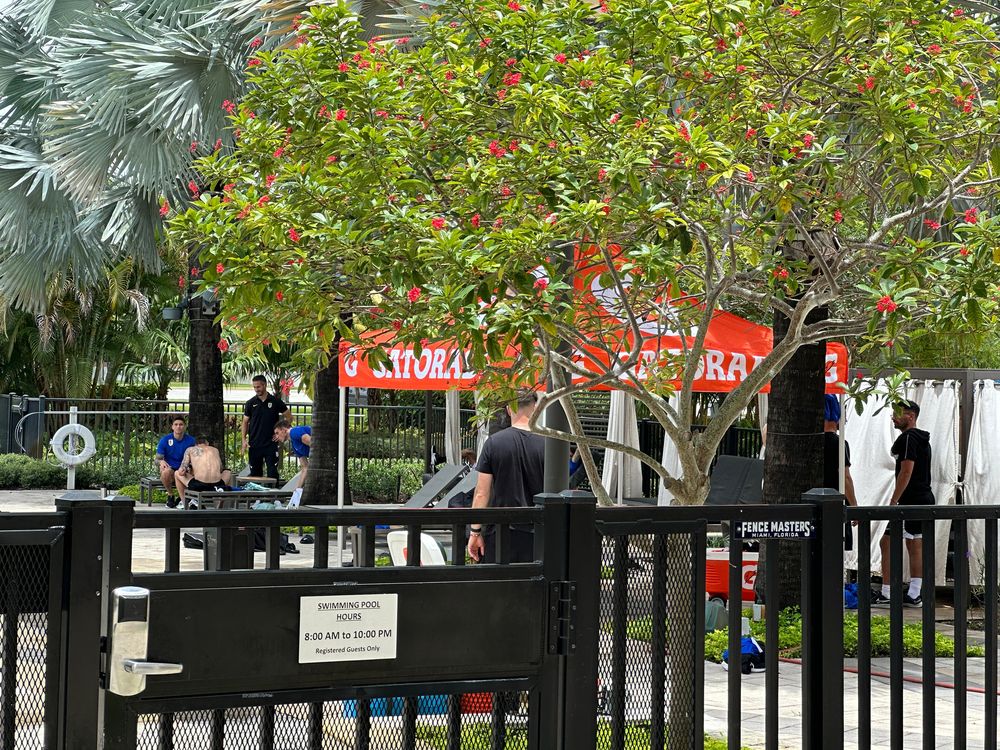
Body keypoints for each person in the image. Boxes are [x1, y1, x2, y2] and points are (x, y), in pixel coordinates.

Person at [467, 389, 545, 564]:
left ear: (509, 408)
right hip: (539, 532)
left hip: (501, 531)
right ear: (535, 408)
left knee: (500, 587)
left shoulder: (494, 443)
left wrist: (475, 532)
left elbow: (482, 493)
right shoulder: (548, 444)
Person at [872, 400, 934, 608]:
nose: (893, 417)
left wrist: (893, 500)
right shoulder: (918, 439)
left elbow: (907, 470)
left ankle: (914, 593)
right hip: (915, 498)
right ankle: (888, 591)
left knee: (914, 543)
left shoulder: (909, 438)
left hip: (913, 499)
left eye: (897, 414)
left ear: (910, 416)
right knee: (888, 541)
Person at [822, 394, 858, 550]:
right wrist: (854, 506)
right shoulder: (839, 443)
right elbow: (845, 477)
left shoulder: (806, 442)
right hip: (834, 505)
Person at [241, 375, 290, 482]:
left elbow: (289, 417)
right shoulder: (250, 403)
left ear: (264, 385)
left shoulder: (275, 401)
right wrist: (244, 440)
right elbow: (245, 422)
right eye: (254, 387)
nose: (256, 389)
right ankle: (256, 498)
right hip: (254, 444)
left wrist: (281, 433)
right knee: (255, 474)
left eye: (258, 387)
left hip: (271, 444)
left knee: (272, 473)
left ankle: (274, 498)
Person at [175, 437, 233, 504]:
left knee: (176, 473)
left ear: (195, 444)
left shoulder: (190, 449)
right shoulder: (215, 450)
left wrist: (191, 470)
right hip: (218, 485)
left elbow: (181, 472)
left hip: (199, 486)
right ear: (207, 443)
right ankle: (220, 505)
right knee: (227, 472)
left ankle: (184, 503)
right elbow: (220, 469)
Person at [155, 416, 195, 508]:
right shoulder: (165, 440)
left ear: (185, 427)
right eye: (176, 424)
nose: (178, 427)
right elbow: (157, 459)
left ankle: (187, 498)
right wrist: (161, 462)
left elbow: (196, 458)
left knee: (196, 470)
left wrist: (190, 465)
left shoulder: (191, 440)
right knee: (165, 472)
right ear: (172, 427)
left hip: (185, 470)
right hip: (171, 470)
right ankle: (170, 495)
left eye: (181, 425)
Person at [273, 419, 310, 489]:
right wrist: (297, 489)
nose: (277, 437)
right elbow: (305, 467)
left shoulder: (293, 432)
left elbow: (314, 444)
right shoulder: (294, 445)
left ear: (283, 430)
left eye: (277, 433)